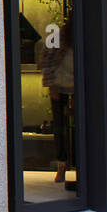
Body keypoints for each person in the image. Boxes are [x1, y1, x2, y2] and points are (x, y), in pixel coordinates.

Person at [39, 25, 75, 183]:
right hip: (60, 87)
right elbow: (46, 59)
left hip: (78, 87)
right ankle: (62, 164)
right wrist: (51, 84)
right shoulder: (57, 36)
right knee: (60, 127)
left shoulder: (83, 36)